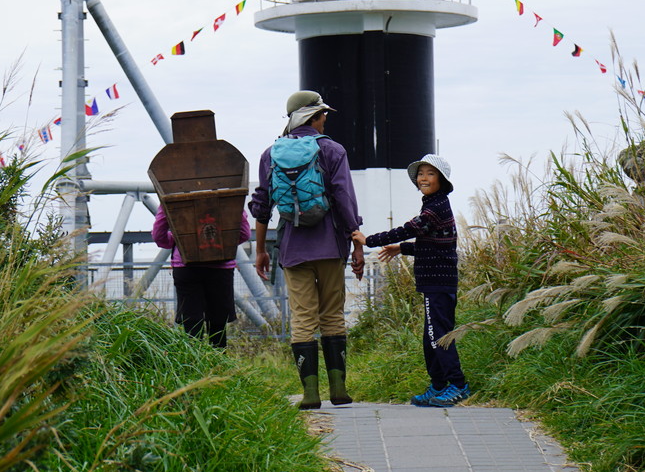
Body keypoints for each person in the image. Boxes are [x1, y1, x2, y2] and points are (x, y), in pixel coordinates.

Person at [249, 90, 364, 410]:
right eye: (322, 114)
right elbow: (344, 200)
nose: (325, 118)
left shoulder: (270, 154)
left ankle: (311, 394)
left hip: (292, 249)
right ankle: (338, 390)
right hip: (330, 246)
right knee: (332, 316)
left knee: (302, 319)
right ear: (312, 117)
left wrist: (261, 250)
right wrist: (356, 242)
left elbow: (261, 207)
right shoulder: (333, 151)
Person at [352, 153, 470, 408]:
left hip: (438, 281)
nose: (424, 178)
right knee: (431, 336)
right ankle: (439, 385)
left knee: (438, 335)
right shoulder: (435, 204)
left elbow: (410, 228)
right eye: (421, 173)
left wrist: (369, 240)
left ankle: (458, 385)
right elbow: (437, 245)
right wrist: (402, 249)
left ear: (442, 180)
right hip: (436, 281)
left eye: (431, 173)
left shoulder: (435, 207)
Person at [151, 204, 252, 349]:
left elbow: (158, 236)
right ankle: (219, 363)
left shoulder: (172, 198)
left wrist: (177, 241)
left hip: (186, 266)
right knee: (218, 323)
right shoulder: (227, 196)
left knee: (191, 322)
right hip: (220, 266)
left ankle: (195, 363)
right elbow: (244, 233)